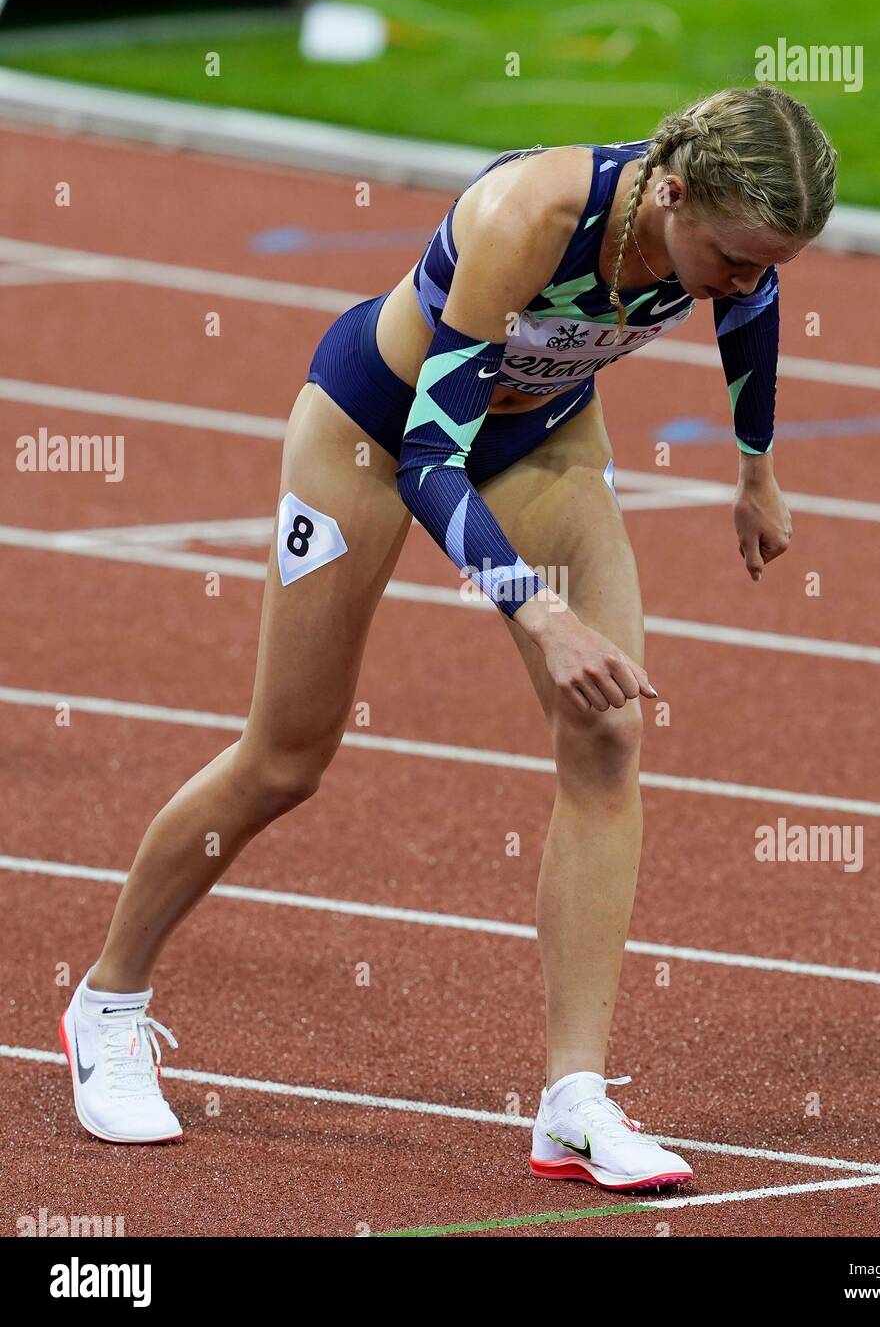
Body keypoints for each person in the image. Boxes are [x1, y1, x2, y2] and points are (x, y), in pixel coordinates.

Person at [60, 84, 837, 1192]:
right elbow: (432, 457)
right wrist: (541, 608)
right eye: (733, 257)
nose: (748, 283)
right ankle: (108, 1006)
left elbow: (749, 312)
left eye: (774, 263)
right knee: (286, 757)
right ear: (672, 194)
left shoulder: (724, 239)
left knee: (608, 736)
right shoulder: (533, 214)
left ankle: (574, 1100)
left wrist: (756, 467)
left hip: (547, 442)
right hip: (374, 441)